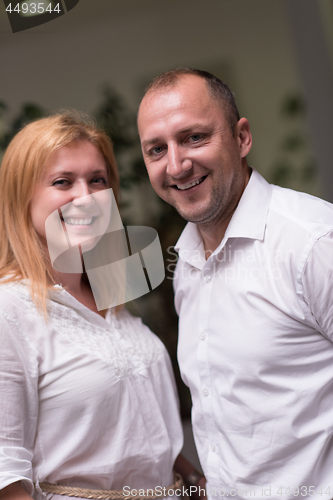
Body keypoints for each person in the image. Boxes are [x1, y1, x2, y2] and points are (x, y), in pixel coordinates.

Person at [137, 68, 333, 499]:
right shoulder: (186, 262)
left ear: (242, 137)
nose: (176, 164)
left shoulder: (313, 241)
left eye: (193, 137)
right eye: (156, 149)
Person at [0, 112, 204, 500]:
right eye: (63, 182)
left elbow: (139, 423)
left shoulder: (115, 293)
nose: (86, 197)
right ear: (21, 196)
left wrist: (193, 479)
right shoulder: (9, 309)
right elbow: (5, 472)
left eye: (98, 180)